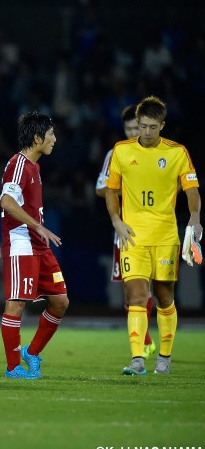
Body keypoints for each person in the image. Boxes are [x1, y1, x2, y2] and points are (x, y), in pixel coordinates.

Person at [105, 96, 201, 376]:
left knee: (164, 297)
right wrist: (116, 220)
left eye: (151, 127)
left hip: (164, 236)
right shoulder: (122, 151)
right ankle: (137, 359)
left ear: (162, 125)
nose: (145, 133)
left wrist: (195, 218)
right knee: (135, 295)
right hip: (132, 236)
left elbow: (192, 190)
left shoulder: (177, 152)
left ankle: (165, 357)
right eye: (142, 126)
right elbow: (111, 190)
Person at [0, 111, 69, 379]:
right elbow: (6, 202)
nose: (54, 139)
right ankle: (13, 367)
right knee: (16, 304)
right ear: (37, 138)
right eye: (51, 135)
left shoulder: (34, 166)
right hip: (21, 242)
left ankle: (33, 352)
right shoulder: (18, 165)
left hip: (38, 244)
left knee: (60, 301)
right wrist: (37, 225)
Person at [96, 105, 156, 359]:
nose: (134, 133)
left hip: (155, 229)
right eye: (129, 128)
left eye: (138, 128)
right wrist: (125, 189)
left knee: (148, 287)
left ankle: (147, 341)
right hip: (125, 231)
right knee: (128, 290)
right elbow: (101, 188)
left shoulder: (161, 153)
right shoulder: (116, 153)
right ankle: (145, 340)